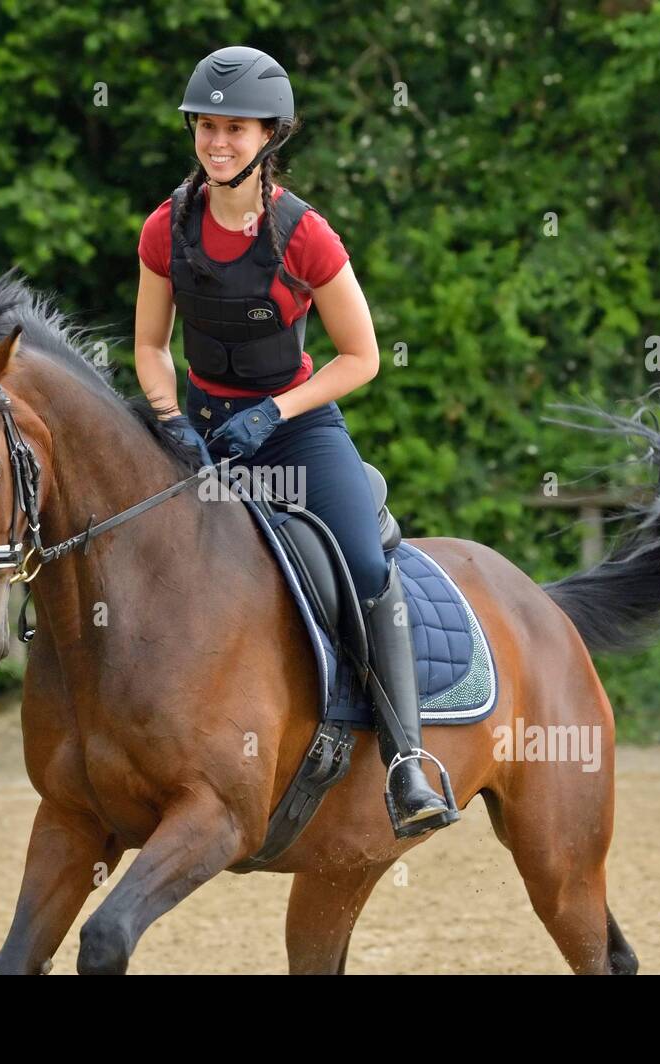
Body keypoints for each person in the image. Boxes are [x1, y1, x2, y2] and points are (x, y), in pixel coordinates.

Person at [133, 45, 456, 839]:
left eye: (235, 129)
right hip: (199, 433)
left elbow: (362, 357)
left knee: (364, 557)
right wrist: (171, 418)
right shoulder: (164, 228)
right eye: (206, 126)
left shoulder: (304, 235)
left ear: (269, 136)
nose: (217, 142)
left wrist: (275, 413)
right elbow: (148, 345)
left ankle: (407, 761)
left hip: (296, 433)